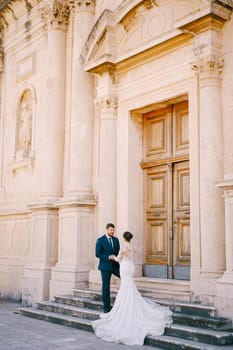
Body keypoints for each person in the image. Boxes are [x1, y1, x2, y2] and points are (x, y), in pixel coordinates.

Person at [92, 231, 172, 345]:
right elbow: (131, 255)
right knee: (129, 286)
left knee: (125, 286)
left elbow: (119, 259)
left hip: (124, 267)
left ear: (124, 238)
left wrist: (112, 257)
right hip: (130, 266)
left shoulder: (123, 247)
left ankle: (125, 307)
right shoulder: (131, 246)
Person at [95, 223, 120, 313]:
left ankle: (124, 302)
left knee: (125, 279)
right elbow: (97, 254)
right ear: (107, 230)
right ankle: (107, 307)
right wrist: (108, 257)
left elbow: (118, 253)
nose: (112, 232)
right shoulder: (100, 240)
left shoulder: (116, 240)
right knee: (106, 287)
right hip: (105, 267)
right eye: (111, 230)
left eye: (113, 230)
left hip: (115, 266)